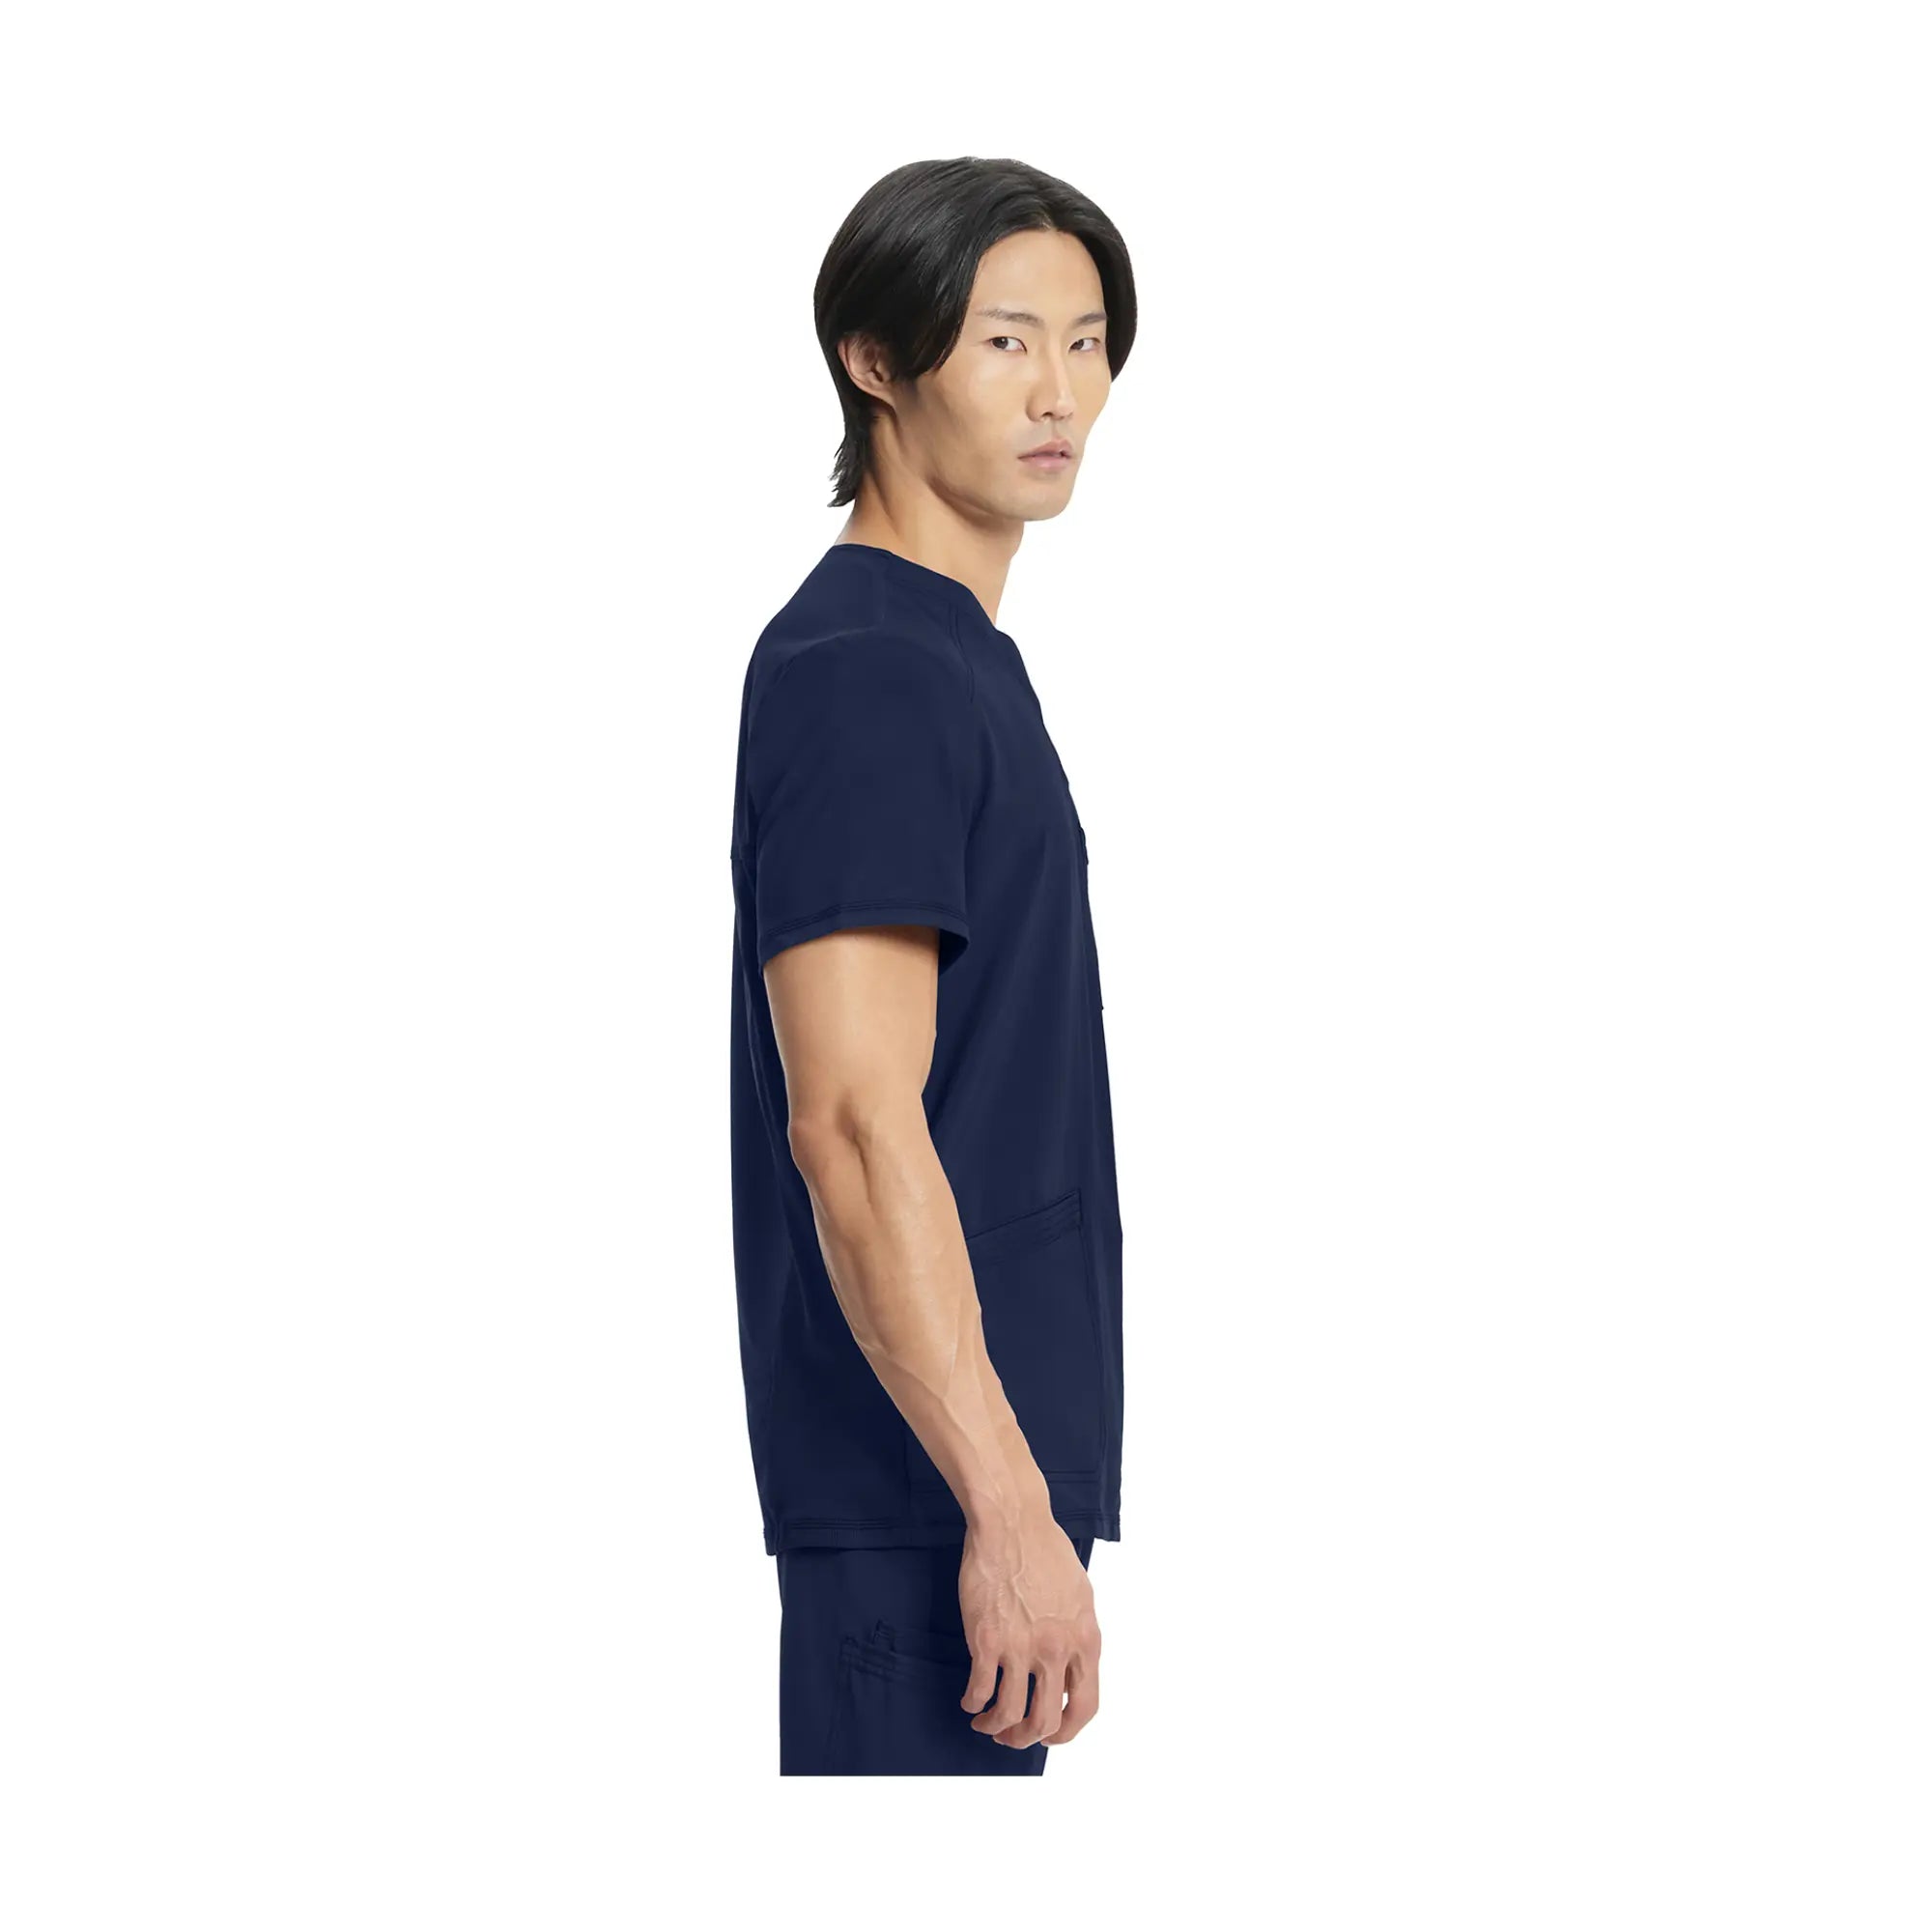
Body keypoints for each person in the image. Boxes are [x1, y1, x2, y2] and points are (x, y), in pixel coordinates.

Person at [725, 156, 1136, 1776]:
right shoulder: (870, 671)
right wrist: (1005, 1504)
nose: (1059, 394)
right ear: (876, 361)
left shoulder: (949, 661)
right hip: (928, 1502)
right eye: (1006, 342)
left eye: (1087, 344)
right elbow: (848, 1120)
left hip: (960, 1483)